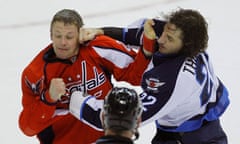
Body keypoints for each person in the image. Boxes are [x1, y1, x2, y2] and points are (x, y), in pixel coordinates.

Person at [69, 8, 230, 144]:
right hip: (189, 118)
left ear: (186, 46)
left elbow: (122, 119)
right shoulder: (187, 37)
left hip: (198, 137)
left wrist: (74, 97)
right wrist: (100, 32)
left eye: (169, 39)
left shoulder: (174, 80)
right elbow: (140, 34)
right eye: (165, 32)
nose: (161, 39)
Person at [18, 9, 156, 144]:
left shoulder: (99, 47)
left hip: (106, 138)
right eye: (58, 36)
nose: (63, 42)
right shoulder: (35, 73)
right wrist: (49, 99)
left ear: (79, 34)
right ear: (51, 36)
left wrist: (148, 46)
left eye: (69, 36)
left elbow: (137, 76)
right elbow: (28, 128)